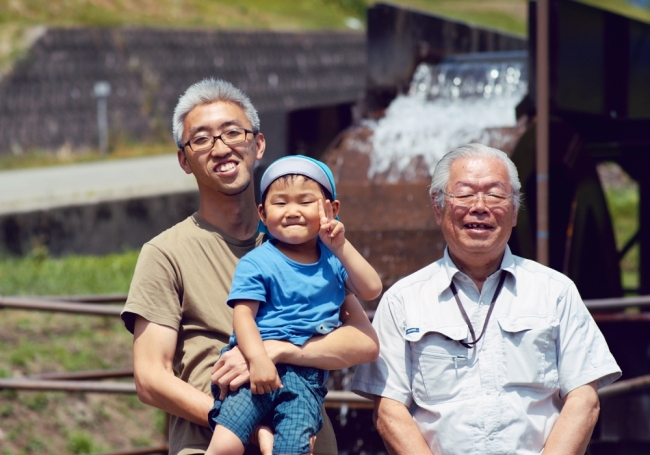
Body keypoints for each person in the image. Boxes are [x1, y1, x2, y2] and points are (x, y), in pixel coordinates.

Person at [121, 77, 380, 455]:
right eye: (202, 139)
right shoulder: (165, 253)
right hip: (211, 440)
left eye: (232, 133)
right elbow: (150, 378)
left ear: (258, 144)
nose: (221, 147)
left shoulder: (307, 244)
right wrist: (239, 422)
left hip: (306, 440)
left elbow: (363, 340)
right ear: (184, 159)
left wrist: (279, 350)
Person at [352, 143, 622, 455]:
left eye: (495, 194)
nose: (479, 206)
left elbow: (584, 400)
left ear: (514, 210)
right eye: (464, 194)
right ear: (438, 207)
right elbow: (389, 411)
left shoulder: (556, 291)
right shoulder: (403, 300)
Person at [206, 155, 382, 455]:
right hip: (253, 365)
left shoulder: (334, 262)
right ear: (262, 213)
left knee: (294, 446)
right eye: (280, 203)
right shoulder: (257, 262)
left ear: (331, 209)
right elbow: (243, 318)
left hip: (305, 377)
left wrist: (339, 245)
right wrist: (259, 360)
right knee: (225, 444)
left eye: (305, 202)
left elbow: (371, 288)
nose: (292, 212)